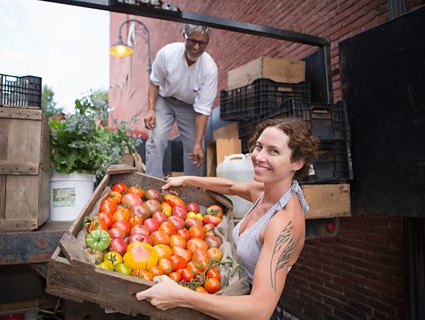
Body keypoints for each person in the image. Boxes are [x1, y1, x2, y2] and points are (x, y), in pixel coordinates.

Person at [136, 118, 319, 320]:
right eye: (259, 147)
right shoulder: (265, 189)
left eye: (273, 151)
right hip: (231, 292)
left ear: (297, 162)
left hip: (243, 309)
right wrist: (188, 179)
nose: (259, 157)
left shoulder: (283, 223)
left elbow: (260, 311)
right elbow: (230, 187)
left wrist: (182, 296)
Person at [144, 24, 218, 178]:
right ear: (184, 35)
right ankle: (152, 184)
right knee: (156, 140)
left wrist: (198, 143)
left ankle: (192, 188)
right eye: (192, 41)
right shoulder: (167, 54)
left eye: (202, 43)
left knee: (196, 149)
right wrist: (150, 109)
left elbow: (203, 110)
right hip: (165, 100)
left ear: (208, 42)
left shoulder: (209, 69)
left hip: (190, 106)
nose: (196, 47)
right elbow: (154, 82)